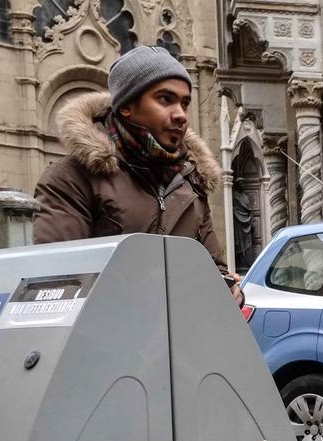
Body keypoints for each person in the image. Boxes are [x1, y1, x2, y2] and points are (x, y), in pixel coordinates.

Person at [34, 45, 242, 303]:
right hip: (110, 337)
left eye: (185, 103)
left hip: (182, 336)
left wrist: (229, 289)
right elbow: (60, 284)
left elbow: (213, 267)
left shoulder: (191, 180)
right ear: (127, 107)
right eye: (165, 99)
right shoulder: (71, 178)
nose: (180, 115)